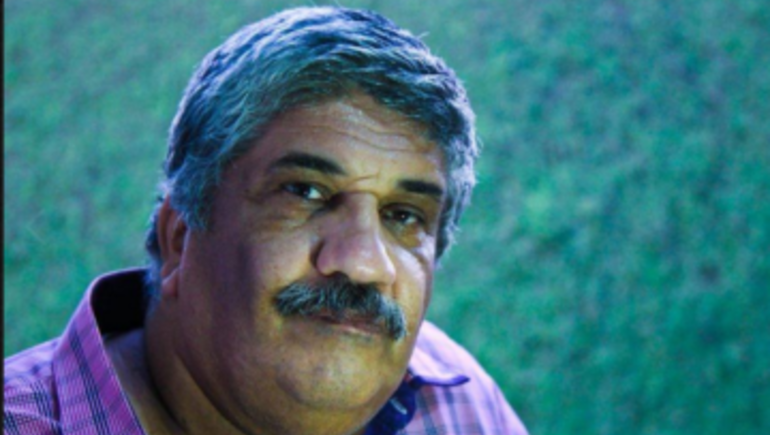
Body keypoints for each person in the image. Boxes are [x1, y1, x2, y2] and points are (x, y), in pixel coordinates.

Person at [4, 6, 528, 435]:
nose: (365, 263)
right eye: (305, 191)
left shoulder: (457, 406)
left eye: (403, 215)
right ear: (179, 238)